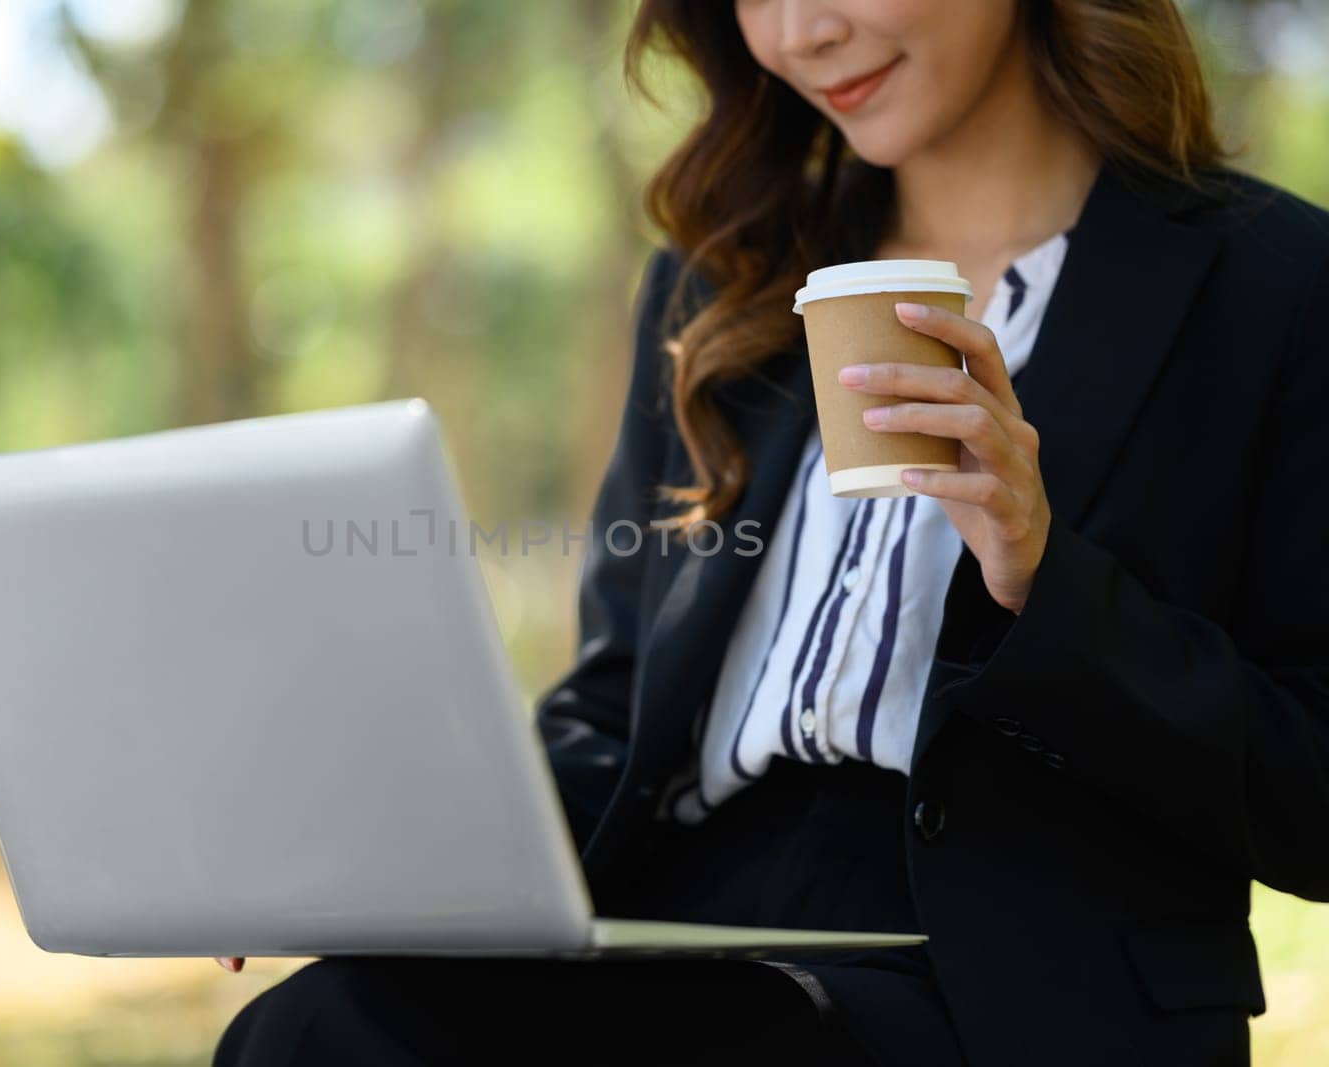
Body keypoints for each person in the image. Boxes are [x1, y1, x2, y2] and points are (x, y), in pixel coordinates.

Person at [211, 1, 1329, 1063]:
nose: (802, 32)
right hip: (676, 933)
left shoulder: (1274, 287)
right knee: (316, 1025)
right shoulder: (723, 279)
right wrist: (381, 860)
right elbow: (609, 718)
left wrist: (1049, 584)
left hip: (1000, 989)